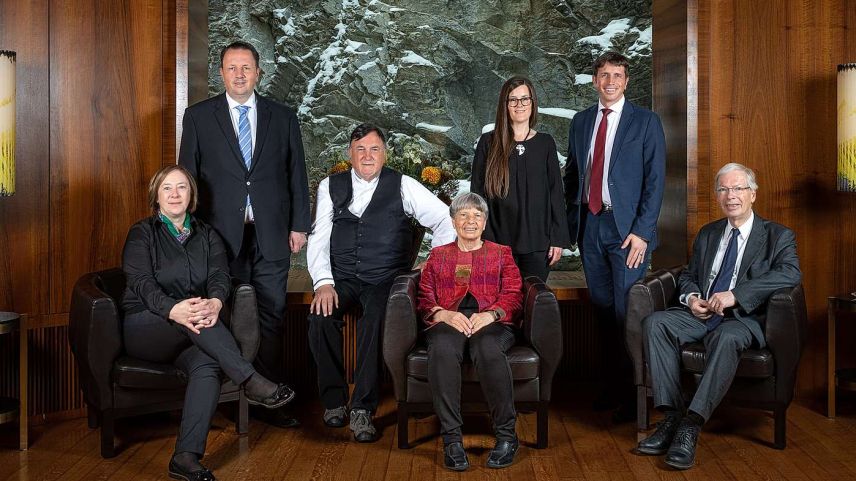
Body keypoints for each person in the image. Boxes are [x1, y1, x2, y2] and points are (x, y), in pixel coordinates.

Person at [121, 165, 294, 481]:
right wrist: (173, 309)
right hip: (146, 326)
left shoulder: (207, 234)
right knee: (192, 315)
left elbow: (218, 275)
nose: (175, 194)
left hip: (195, 331)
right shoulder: (142, 233)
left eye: (182, 188)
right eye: (167, 188)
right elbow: (141, 283)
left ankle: (185, 457)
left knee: (207, 365)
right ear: (156, 196)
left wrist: (216, 301)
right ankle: (250, 380)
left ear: (191, 195)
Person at [179, 41, 311, 428]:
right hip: (219, 237)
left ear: (258, 73)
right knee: (227, 312)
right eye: (231, 68)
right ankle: (230, 396)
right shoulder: (199, 117)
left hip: (272, 233)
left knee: (271, 313)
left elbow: (296, 175)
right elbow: (188, 177)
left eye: (246, 68)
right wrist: (191, 231)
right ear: (221, 73)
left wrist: (299, 225)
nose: (239, 74)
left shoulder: (283, 117)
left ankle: (268, 401)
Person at [635, 163, 801, 470]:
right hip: (701, 314)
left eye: (738, 188)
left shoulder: (778, 236)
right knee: (655, 323)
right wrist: (692, 297)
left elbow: (790, 273)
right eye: (723, 189)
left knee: (726, 336)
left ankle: (691, 424)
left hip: (742, 319)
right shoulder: (709, 233)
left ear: (753, 194)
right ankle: (671, 417)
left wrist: (736, 295)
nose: (730, 196)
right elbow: (689, 275)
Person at [306, 123, 456, 442]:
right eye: (360, 149)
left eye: (374, 149)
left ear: (384, 154)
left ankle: (362, 408)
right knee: (319, 317)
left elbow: (446, 220)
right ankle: (334, 402)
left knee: (375, 321)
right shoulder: (329, 186)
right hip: (343, 278)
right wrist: (323, 283)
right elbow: (318, 238)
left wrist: (431, 264)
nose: (367, 155)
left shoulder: (404, 185)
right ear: (350, 154)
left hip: (385, 280)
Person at [563, 51, 666, 417]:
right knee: (603, 311)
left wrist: (642, 232)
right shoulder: (581, 121)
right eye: (603, 75)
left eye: (617, 75)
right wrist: (565, 227)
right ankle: (612, 387)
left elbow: (655, 182)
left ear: (626, 81)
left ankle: (633, 396)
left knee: (626, 312)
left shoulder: (646, 122)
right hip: (590, 226)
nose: (610, 81)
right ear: (594, 81)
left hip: (627, 233)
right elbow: (573, 175)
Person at [417, 192, 524, 471]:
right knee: (441, 347)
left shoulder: (502, 254)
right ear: (453, 222)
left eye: (477, 215)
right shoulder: (438, 255)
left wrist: (492, 314)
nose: (470, 221)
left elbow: (513, 294)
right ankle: (452, 440)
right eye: (463, 215)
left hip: (492, 322)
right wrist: (443, 313)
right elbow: (425, 296)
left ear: (485, 222)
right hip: (448, 321)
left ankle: (506, 436)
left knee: (487, 348)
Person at [471, 76, 571, 281]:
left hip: (538, 243)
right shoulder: (488, 142)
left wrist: (557, 238)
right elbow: (477, 195)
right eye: (513, 100)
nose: (520, 105)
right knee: (500, 307)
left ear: (533, 103)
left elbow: (555, 193)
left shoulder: (545, 143)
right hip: (497, 242)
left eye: (525, 99)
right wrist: (483, 239)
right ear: (505, 105)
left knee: (532, 303)